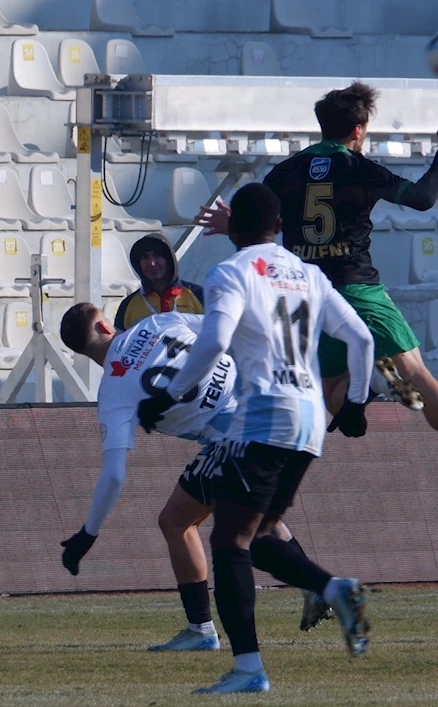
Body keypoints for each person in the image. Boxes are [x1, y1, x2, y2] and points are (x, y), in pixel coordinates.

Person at [196, 81, 438, 502]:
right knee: (417, 372)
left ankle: (373, 388)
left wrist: (231, 226)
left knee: (331, 394)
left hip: (307, 297)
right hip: (358, 289)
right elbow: (423, 197)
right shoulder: (360, 169)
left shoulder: (283, 173)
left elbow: (263, 228)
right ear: (359, 130)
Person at [138, 182, 375, 695]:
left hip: (264, 416)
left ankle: (248, 669)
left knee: (229, 542)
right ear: (281, 226)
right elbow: (361, 337)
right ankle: (333, 588)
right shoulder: (309, 274)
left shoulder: (232, 271)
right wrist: (355, 400)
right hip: (309, 422)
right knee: (261, 536)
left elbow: (216, 340)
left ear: (235, 229)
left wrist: (172, 393)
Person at [57, 306, 334, 652]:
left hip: (237, 434)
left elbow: (113, 475)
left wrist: (88, 534)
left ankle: (203, 630)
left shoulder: (112, 394)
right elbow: (227, 327)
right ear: (103, 323)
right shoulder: (155, 322)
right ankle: (315, 588)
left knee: (177, 522)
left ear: (79, 351)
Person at [114, 233, 204, 331]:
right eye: (145, 257)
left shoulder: (200, 295)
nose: (151, 263)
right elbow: (119, 344)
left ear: (169, 260)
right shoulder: (127, 305)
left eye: (157, 256)